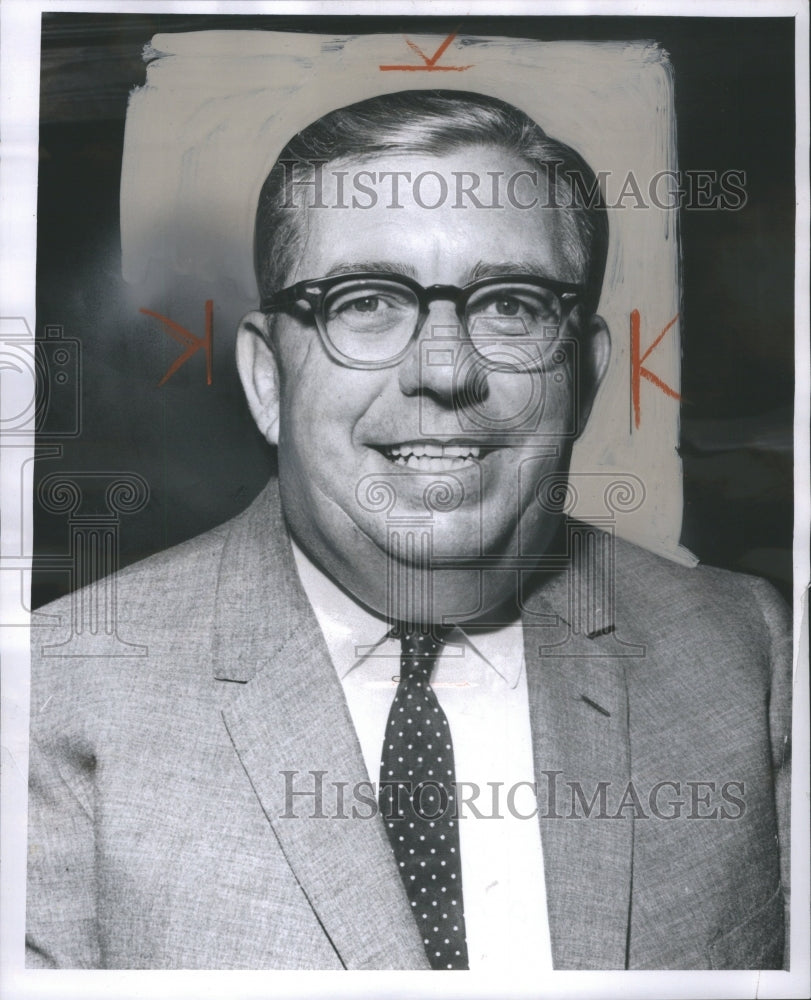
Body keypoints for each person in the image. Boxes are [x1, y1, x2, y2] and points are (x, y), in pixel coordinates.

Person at [26, 90, 790, 971]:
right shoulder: (57, 690)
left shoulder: (744, 652)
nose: (443, 369)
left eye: (509, 305)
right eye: (365, 302)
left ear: (581, 376)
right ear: (268, 377)